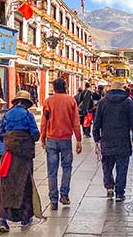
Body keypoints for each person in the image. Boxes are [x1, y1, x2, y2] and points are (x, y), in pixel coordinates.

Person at [0, 90, 42, 233]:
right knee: (25, 184)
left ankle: (3, 219)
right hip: (24, 156)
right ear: (26, 103)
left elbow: (1, 134)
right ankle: (25, 217)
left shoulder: (6, 115)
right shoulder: (28, 115)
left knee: (6, 185)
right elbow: (35, 134)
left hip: (9, 155)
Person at [93, 79, 133, 201]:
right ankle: (119, 193)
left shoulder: (103, 102)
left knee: (107, 165)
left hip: (107, 139)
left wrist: (96, 138)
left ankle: (109, 186)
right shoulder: (128, 102)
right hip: (123, 140)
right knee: (122, 168)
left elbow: (97, 121)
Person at [40, 78, 82, 210]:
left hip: (51, 139)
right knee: (67, 168)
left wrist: (43, 137)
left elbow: (44, 121)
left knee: (52, 171)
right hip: (65, 139)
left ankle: (53, 200)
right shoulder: (71, 101)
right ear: (65, 86)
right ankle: (64, 195)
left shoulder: (48, 101)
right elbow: (76, 121)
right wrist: (79, 139)